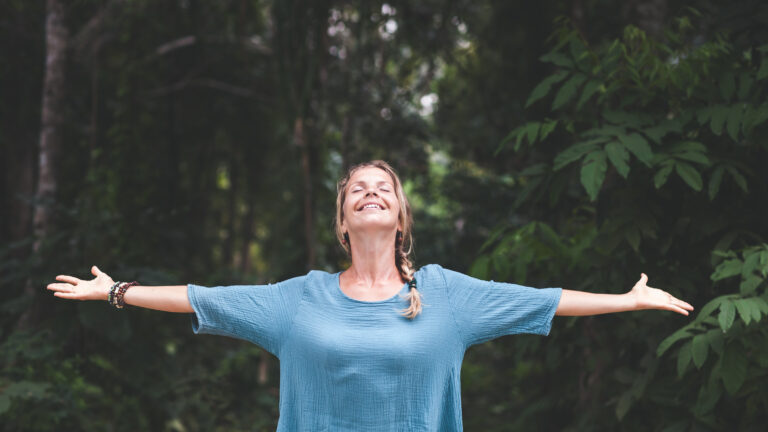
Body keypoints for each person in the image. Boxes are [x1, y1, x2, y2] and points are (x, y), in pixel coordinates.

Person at [47, 160, 693, 431]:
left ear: (402, 216)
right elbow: (202, 298)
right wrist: (117, 291)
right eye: (358, 188)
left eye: (383, 185)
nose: (371, 191)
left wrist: (627, 301)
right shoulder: (297, 300)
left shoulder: (447, 294)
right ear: (343, 219)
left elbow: (541, 300)